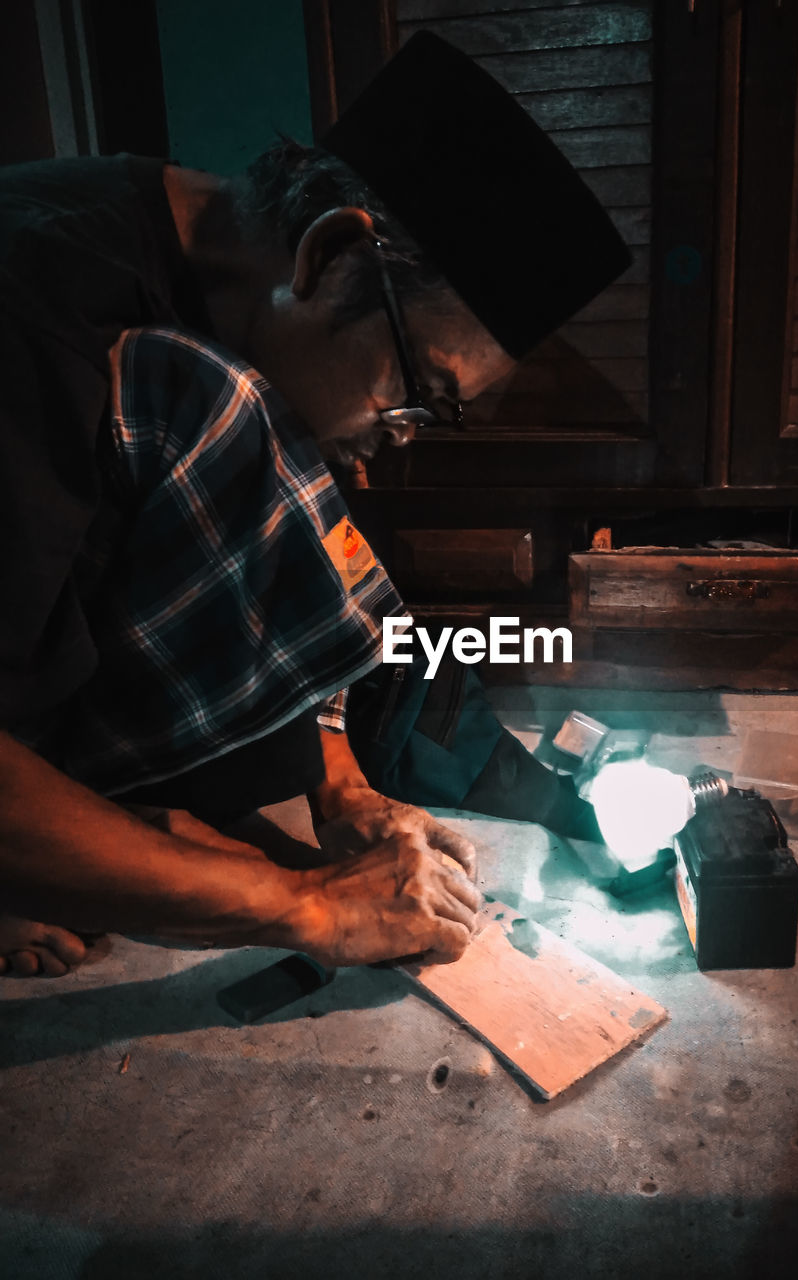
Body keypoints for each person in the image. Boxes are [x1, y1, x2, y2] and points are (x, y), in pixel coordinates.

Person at [0, 33, 630, 977]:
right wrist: (306, 906)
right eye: (419, 395)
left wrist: (343, 788)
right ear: (334, 254)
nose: (400, 440)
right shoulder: (42, 317)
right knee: (223, 403)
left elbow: (272, 521)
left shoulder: (219, 262)